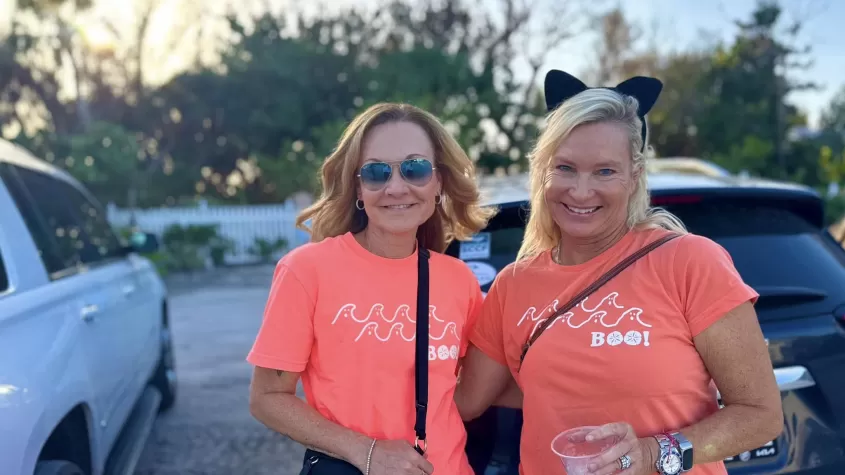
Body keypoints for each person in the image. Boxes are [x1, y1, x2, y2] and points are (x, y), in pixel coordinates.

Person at [454, 70, 783, 475]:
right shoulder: (514, 285)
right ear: (543, 173)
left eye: (605, 171)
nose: (580, 190)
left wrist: (652, 454)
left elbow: (760, 415)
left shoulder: (690, 262)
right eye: (566, 168)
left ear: (634, 176)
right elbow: (465, 400)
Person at [247, 102, 494, 475]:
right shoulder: (307, 270)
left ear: (439, 182)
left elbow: (467, 395)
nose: (396, 187)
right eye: (377, 173)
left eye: (415, 169)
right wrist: (367, 451)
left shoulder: (458, 279)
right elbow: (267, 398)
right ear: (358, 188)